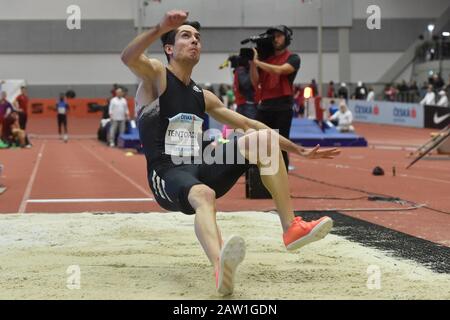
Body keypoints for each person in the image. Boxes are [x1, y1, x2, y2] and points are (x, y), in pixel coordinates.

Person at [121, 10, 340, 296]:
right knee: (203, 195)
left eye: (198, 37)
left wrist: (299, 150)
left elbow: (251, 124)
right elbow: (128, 57)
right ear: (169, 48)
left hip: (201, 166)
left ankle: (291, 228)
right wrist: (160, 26)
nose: (195, 41)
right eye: (186, 36)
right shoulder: (156, 77)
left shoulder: (203, 96)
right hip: (166, 174)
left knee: (261, 138)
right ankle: (220, 266)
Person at [249, 25, 301, 171]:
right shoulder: (267, 59)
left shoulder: (293, 58)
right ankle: (259, 178)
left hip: (283, 107)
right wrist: (253, 63)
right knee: (259, 142)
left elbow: (281, 70)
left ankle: (281, 181)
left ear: (287, 38)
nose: (275, 39)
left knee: (281, 145)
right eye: (274, 37)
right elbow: (255, 82)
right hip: (265, 104)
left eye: (279, 36)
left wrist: (259, 63)